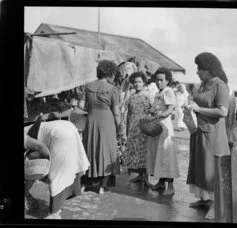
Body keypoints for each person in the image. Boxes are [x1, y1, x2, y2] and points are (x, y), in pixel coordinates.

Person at [185, 52, 230, 219]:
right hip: (199, 131)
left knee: (210, 169)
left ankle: (215, 204)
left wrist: (198, 109)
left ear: (208, 68)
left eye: (199, 69)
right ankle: (204, 199)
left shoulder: (220, 86)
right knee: (200, 167)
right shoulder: (204, 84)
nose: (197, 72)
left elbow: (223, 111)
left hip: (213, 135)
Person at [24, 119, 90, 219]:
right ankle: (58, 208)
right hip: (67, 127)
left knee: (55, 176)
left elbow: (41, 147)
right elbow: (31, 172)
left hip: (60, 134)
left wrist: (47, 169)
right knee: (67, 169)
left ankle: (54, 213)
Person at [79, 60, 121, 195]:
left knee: (91, 149)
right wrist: (119, 127)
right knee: (107, 152)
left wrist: (91, 109)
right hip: (107, 122)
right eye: (113, 74)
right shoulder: (113, 90)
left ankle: (85, 184)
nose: (114, 77)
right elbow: (116, 113)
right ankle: (102, 186)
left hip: (91, 121)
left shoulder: (87, 86)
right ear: (109, 73)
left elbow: (80, 106)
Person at [147, 67, 180, 196]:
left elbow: (170, 110)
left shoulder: (168, 91)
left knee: (166, 156)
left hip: (164, 128)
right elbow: (158, 108)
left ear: (167, 81)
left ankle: (171, 187)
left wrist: (157, 116)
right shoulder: (158, 93)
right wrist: (152, 112)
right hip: (156, 126)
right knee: (158, 155)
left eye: (162, 80)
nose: (159, 82)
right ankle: (160, 182)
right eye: (157, 80)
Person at [124, 71, 152, 186]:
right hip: (133, 125)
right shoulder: (131, 96)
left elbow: (152, 111)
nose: (137, 84)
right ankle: (139, 175)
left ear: (144, 83)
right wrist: (127, 128)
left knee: (144, 151)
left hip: (143, 125)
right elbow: (129, 113)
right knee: (135, 151)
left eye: (140, 82)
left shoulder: (147, 95)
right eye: (135, 82)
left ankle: (146, 177)